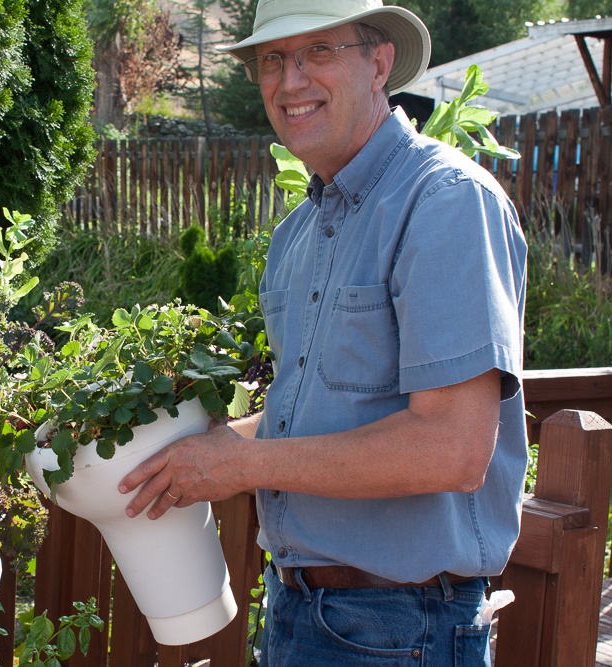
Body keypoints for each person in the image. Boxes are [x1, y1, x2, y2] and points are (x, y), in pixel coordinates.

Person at [117, 1, 528, 664]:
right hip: (300, 610)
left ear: (380, 63)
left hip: (405, 627)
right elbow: (313, 420)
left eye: (319, 52)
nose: (290, 80)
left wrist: (241, 464)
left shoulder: (445, 202)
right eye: (273, 59)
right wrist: (188, 453)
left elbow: (452, 447)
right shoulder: (296, 237)